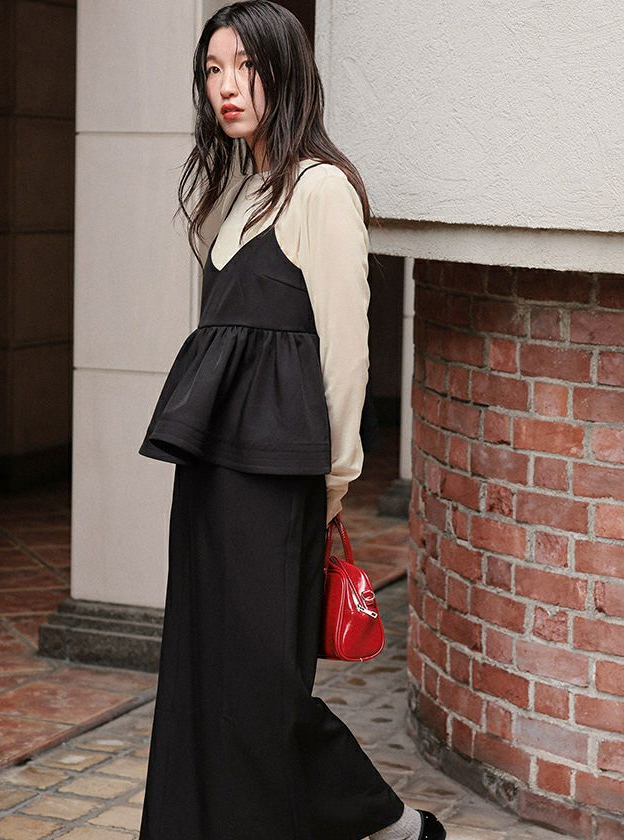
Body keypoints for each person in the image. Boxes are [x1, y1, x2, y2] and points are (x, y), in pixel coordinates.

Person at [136, 3, 446, 839]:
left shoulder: (320, 190)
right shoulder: (238, 194)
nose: (227, 86)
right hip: (212, 478)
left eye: (246, 66)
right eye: (213, 69)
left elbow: (346, 353)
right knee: (203, 672)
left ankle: (391, 824)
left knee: (263, 686)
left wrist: (335, 482)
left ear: (286, 71)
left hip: (280, 481)